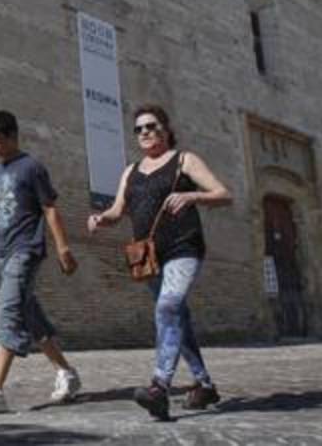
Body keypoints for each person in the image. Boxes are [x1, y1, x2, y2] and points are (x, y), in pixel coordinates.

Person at [87, 104, 232, 421]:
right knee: (177, 316)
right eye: (139, 129)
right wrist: (101, 219)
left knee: (167, 306)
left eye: (151, 126)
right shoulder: (131, 171)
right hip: (150, 255)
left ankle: (159, 387)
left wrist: (193, 197)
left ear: (166, 129)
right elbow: (117, 210)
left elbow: (223, 194)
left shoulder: (184, 160)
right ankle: (204, 385)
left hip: (184, 246)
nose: (145, 133)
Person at [0, 110, 81, 413]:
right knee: (30, 316)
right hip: (1, 253)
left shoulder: (31, 168)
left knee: (8, 309)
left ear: (12, 137)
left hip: (26, 250)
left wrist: (63, 248)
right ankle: (66, 373)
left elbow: (50, 209)